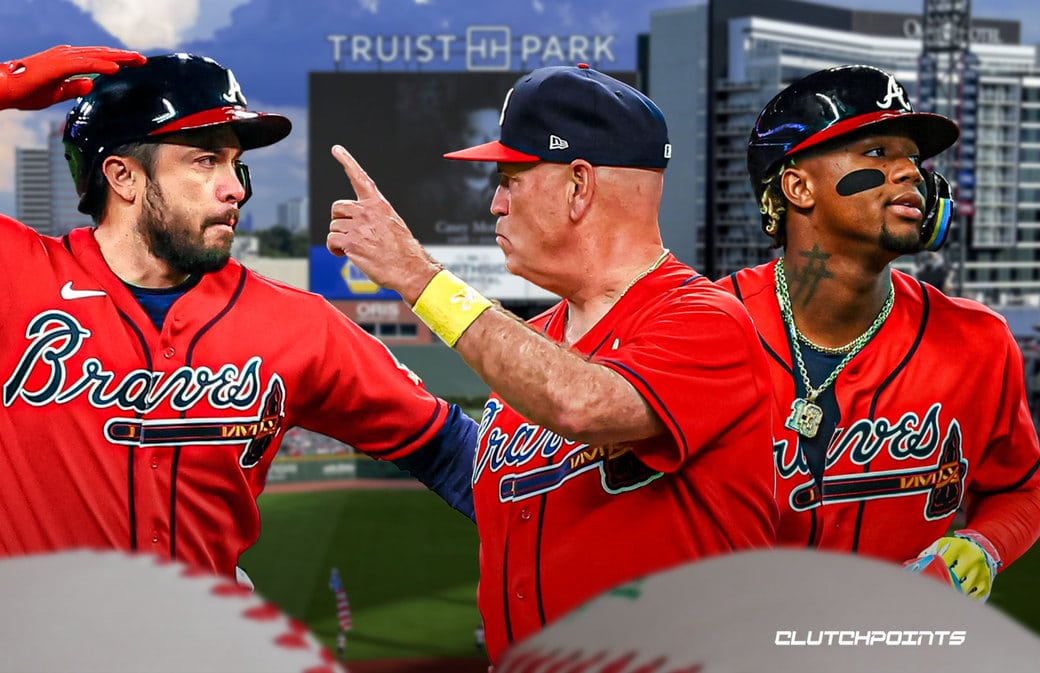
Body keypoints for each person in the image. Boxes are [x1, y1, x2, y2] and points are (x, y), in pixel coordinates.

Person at [0, 46, 478, 579]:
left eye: (236, 163)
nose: (236, 188)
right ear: (122, 177)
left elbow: (452, 452)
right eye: (205, 160)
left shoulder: (300, 325)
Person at [326, 63, 779, 662]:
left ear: (578, 185)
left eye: (512, 177)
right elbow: (517, 487)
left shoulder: (706, 319)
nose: (494, 202)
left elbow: (581, 403)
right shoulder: (533, 341)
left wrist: (416, 275)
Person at [725, 64, 1040, 602]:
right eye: (877, 154)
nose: (911, 173)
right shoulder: (698, 328)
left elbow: (1023, 488)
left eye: (913, 159)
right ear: (798, 186)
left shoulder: (977, 340)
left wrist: (985, 543)